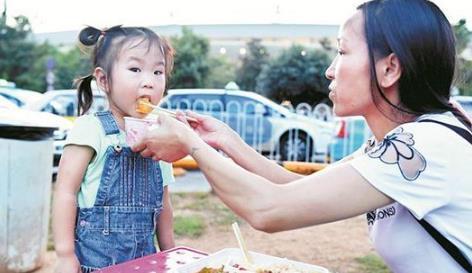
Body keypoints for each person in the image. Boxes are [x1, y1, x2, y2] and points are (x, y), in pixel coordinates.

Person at [132, 0, 472, 272]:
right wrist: (224, 140)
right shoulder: (400, 142)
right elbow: (292, 189)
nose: (329, 70)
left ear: (390, 69)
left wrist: (189, 143)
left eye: (342, 52)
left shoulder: (422, 147)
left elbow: (268, 209)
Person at [52, 25, 176, 273]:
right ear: (104, 80)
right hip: (95, 266)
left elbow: (163, 202)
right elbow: (65, 191)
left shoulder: (161, 137)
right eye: (135, 69)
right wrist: (65, 255)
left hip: (145, 265)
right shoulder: (91, 129)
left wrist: (170, 251)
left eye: (157, 71)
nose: (149, 82)